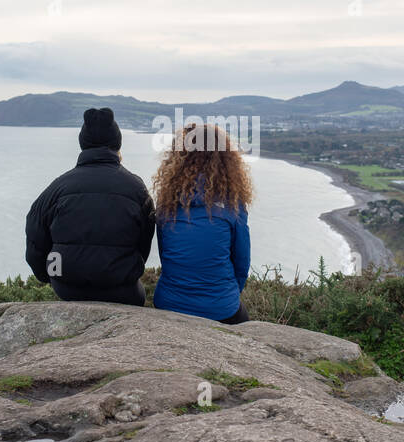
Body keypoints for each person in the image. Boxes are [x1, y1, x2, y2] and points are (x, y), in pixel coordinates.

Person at [25, 107, 155, 306]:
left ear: (82, 143)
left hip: (67, 288)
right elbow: (143, 244)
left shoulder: (57, 188)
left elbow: (35, 237)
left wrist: (49, 275)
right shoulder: (137, 189)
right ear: (117, 143)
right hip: (121, 290)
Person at [151, 122, 252, 324]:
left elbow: (166, 256)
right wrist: (225, 296)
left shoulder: (167, 204)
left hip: (168, 303)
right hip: (221, 308)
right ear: (226, 160)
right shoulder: (233, 206)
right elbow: (241, 265)